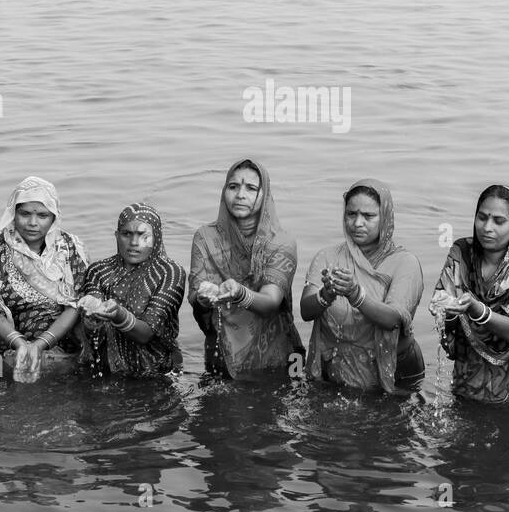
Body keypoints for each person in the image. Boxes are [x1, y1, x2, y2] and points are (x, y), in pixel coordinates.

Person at [299, 179, 425, 393]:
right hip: (335, 369)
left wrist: (355, 294)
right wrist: (325, 295)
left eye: (368, 216)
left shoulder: (405, 263)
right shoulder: (328, 256)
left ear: (385, 217)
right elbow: (305, 312)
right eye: (351, 214)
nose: (357, 223)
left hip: (396, 374)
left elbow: (394, 319)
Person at [429, 184, 509, 407]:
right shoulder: (462, 252)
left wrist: (477, 309)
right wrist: (444, 306)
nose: (487, 227)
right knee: (466, 421)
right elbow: (443, 296)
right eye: (482, 217)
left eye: (499, 221)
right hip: (469, 368)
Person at [189, 158, 304, 379]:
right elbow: (196, 295)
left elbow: (270, 303)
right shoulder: (205, 237)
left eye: (251, 188)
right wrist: (203, 298)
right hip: (220, 354)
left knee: (283, 401)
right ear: (224, 192)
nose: (240, 194)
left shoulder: (281, 241)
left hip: (280, 356)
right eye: (233, 187)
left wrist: (239, 293)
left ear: (265, 195)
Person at [0, 176, 87, 380]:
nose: (32, 223)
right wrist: (20, 344)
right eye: (25, 214)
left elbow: (75, 305)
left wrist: (40, 345)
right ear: (14, 213)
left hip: (62, 343)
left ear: (54, 216)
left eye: (42, 215)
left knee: (64, 396)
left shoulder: (70, 247)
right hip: (8, 344)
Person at [74, 203, 186, 378]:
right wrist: (91, 308)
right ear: (117, 236)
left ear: (157, 237)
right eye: (127, 234)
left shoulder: (170, 273)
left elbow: (146, 334)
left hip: (158, 369)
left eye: (143, 236)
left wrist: (118, 314)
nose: (134, 243)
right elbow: (94, 302)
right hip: (106, 368)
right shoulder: (98, 270)